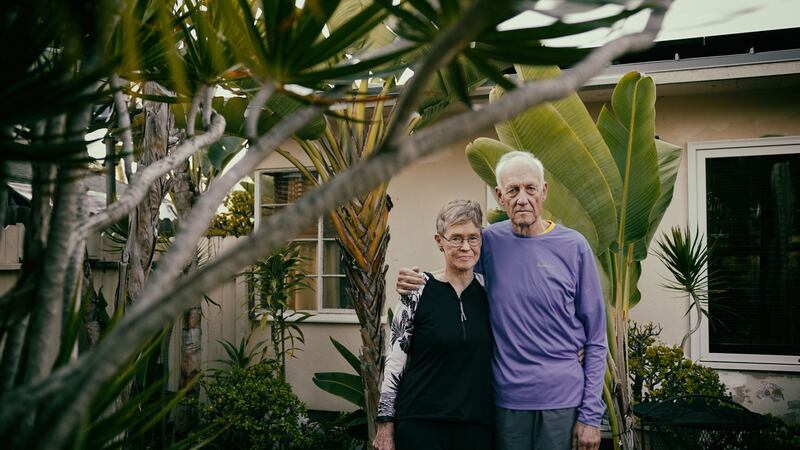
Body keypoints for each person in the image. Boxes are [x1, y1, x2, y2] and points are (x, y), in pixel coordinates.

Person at [397, 151, 607, 450]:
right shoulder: (489, 241)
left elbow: (596, 338)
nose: (522, 198)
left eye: (530, 188)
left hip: (564, 400)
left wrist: (591, 416)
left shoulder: (574, 247)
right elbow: (456, 268)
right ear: (500, 196)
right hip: (506, 401)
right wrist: (416, 280)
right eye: (513, 190)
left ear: (544, 191)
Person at [373, 199, 493, 450]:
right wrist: (385, 422)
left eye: (473, 237)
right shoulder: (416, 291)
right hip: (420, 423)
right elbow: (394, 362)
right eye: (456, 238)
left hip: (476, 425)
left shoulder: (491, 292)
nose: (465, 247)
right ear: (439, 241)